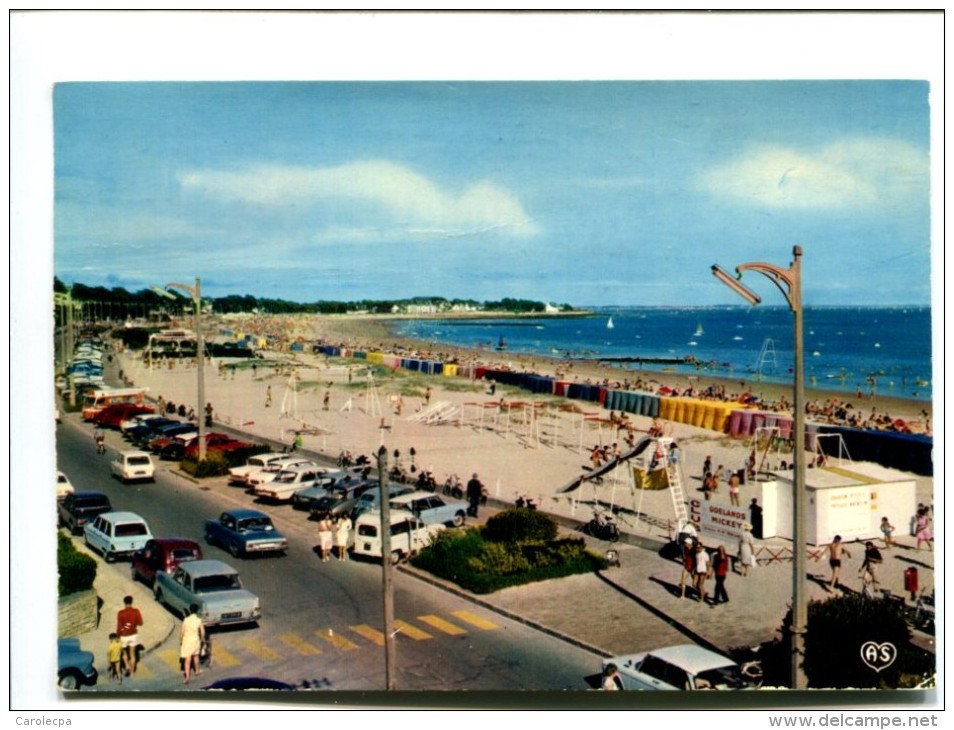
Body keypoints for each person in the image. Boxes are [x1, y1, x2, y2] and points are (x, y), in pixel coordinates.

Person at [116, 595, 143, 676]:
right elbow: (140, 623)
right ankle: (132, 672)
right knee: (132, 654)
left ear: (124, 603)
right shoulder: (136, 611)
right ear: (131, 602)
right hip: (133, 635)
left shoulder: (120, 613)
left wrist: (118, 636)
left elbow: (119, 626)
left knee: (123, 652)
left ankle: (127, 666)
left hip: (123, 636)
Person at [180, 603, 205, 684]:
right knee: (196, 656)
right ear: (197, 611)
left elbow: (182, 632)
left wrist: (180, 641)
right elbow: (202, 632)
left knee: (187, 660)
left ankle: (187, 677)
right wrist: (202, 639)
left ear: (190, 610)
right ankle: (197, 671)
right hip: (195, 640)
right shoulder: (199, 620)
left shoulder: (186, 620)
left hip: (187, 641)